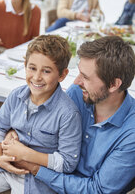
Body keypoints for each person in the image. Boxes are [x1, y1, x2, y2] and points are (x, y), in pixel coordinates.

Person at [10, 36, 135, 194]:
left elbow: (97, 190)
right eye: (79, 73)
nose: (76, 81)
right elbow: (43, 123)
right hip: (45, 180)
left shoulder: (131, 134)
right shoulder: (79, 93)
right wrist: (11, 133)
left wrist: (35, 168)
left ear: (113, 84)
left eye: (86, 77)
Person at [0, 35, 82, 194]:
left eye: (46, 71)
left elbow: (67, 163)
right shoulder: (16, 96)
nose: (37, 77)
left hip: (37, 180)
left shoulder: (68, 113)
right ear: (25, 65)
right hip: (2, 166)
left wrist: (26, 154)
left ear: (62, 75)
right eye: (32, 68)